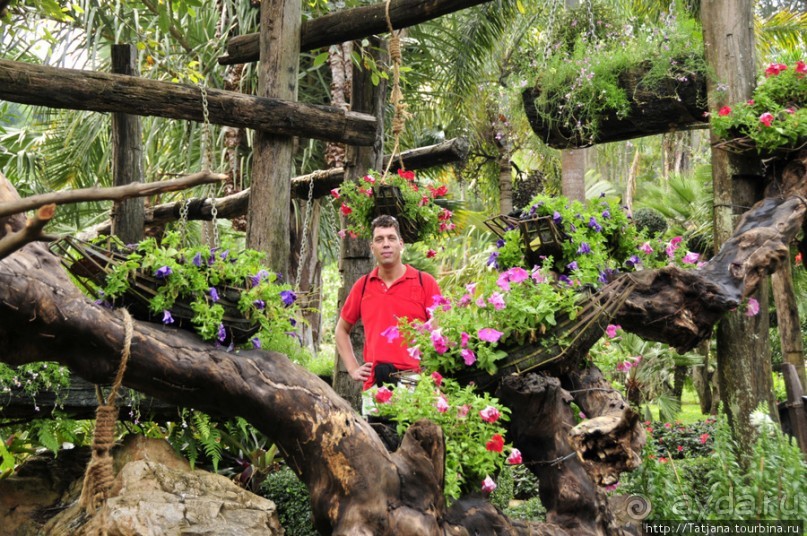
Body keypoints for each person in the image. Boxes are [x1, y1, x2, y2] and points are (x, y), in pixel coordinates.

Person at [335, 214, 441, 391]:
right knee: (372, 421)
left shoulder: (425, 282)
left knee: (417, 420)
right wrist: (353, 368)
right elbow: (341, 330)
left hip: (416, 382)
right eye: (379, 239)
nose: (386, 244)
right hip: (375, 384)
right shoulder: (362, 286)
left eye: (391, 238)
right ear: (372, 247)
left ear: (401, 244)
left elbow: (439, 332)